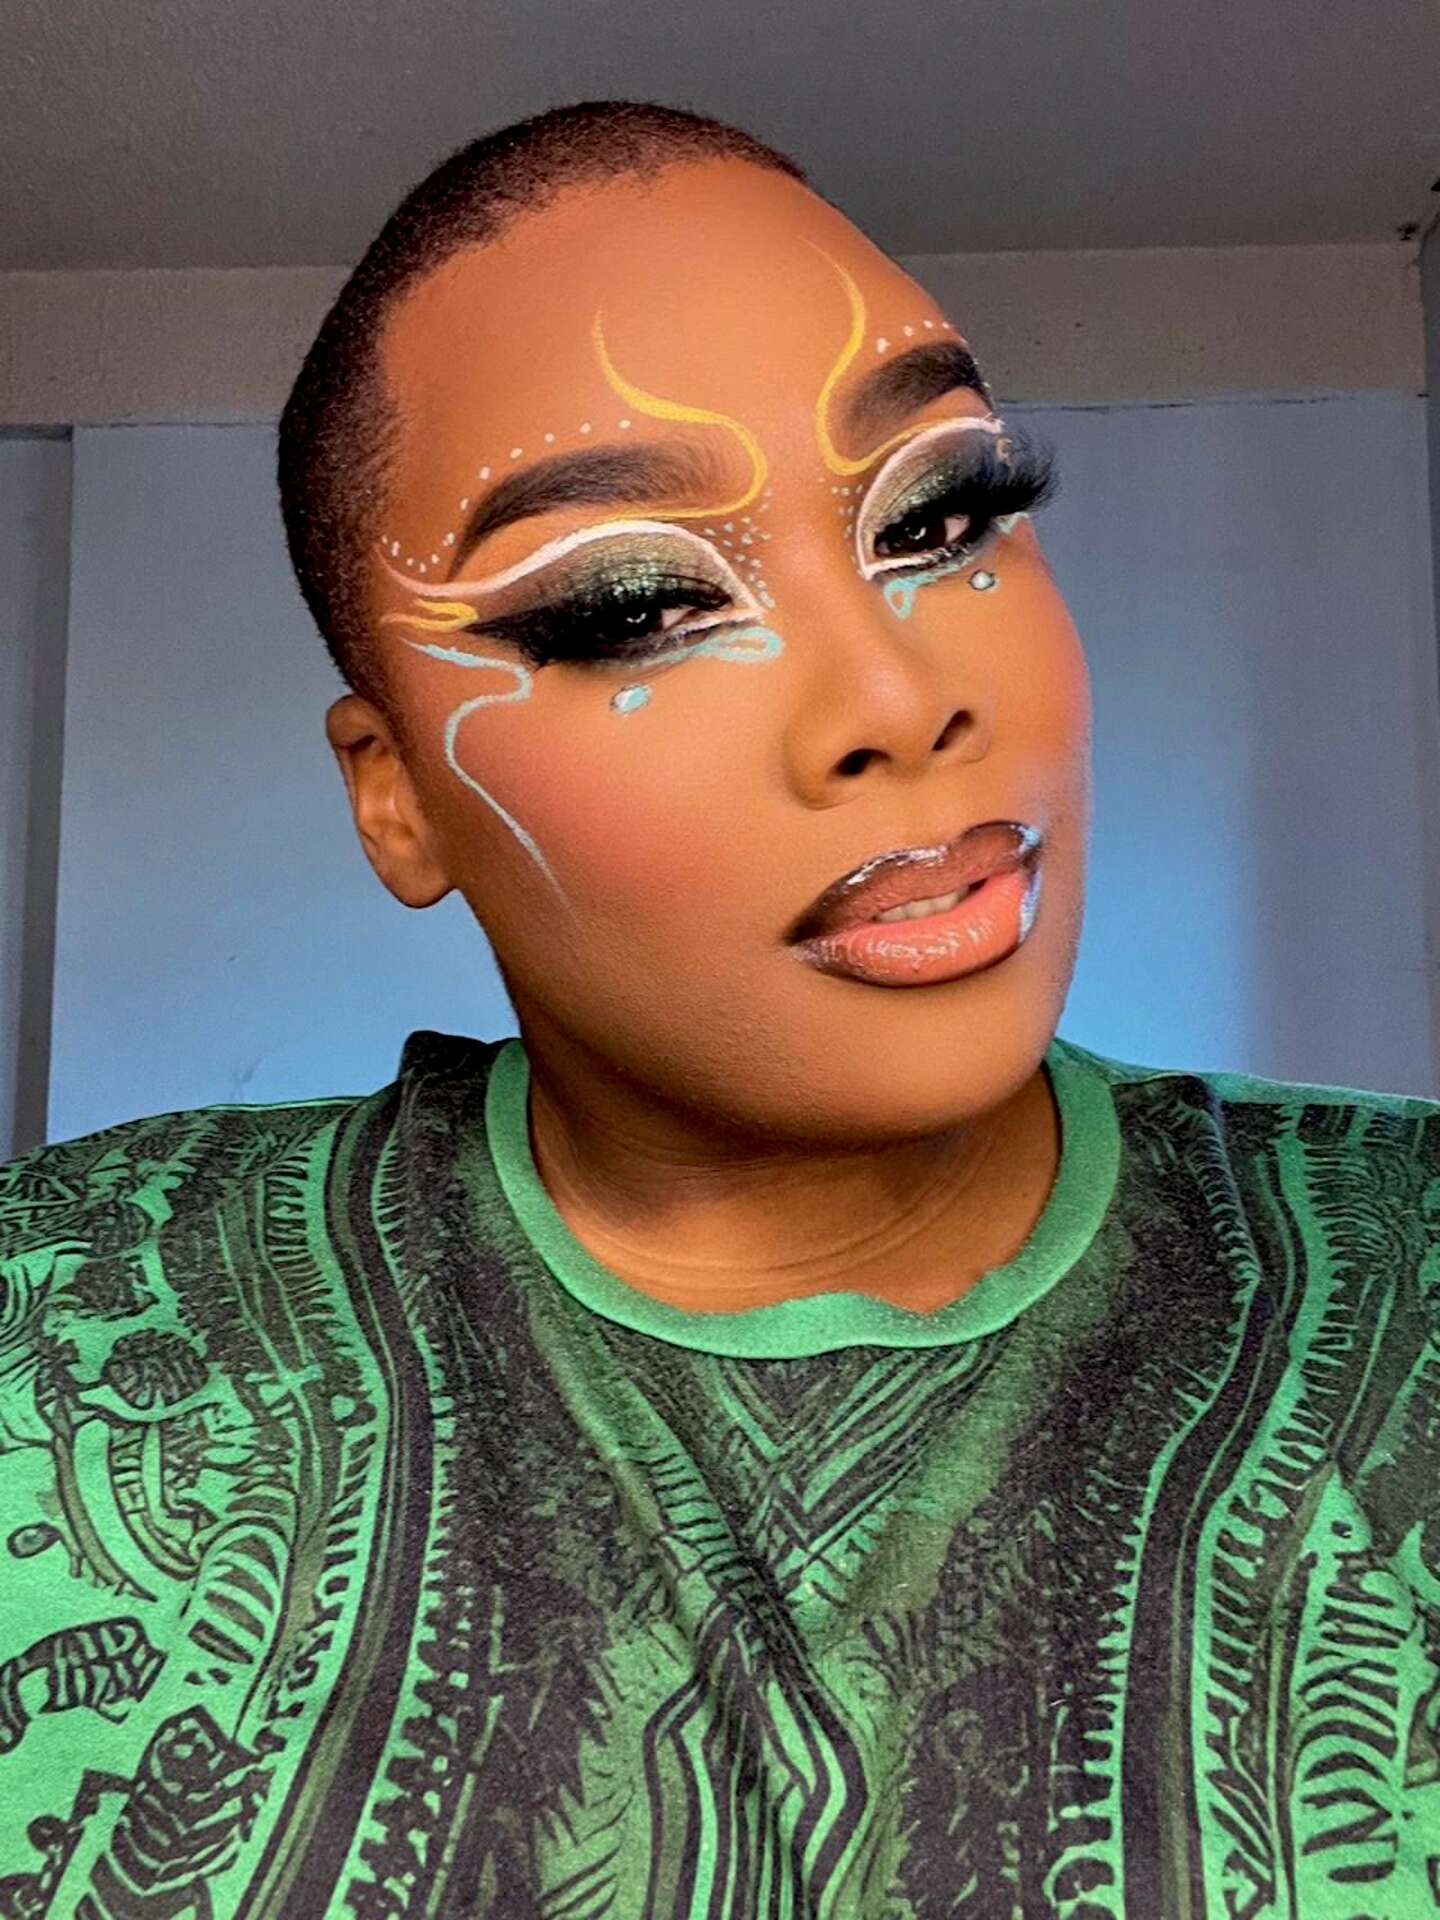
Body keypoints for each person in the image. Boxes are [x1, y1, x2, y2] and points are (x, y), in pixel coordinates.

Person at [1, 99, 1437, 1920]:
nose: (894, 701)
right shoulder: (51, 1336)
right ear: (400, 799)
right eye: (637, 608)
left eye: (945, 512)